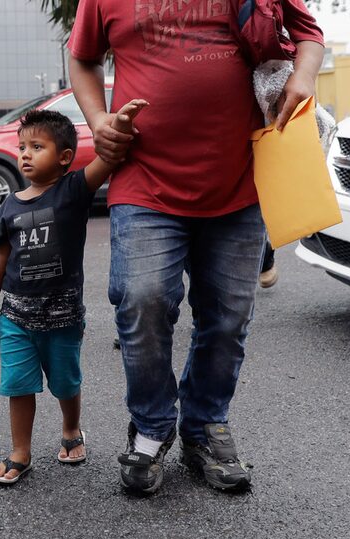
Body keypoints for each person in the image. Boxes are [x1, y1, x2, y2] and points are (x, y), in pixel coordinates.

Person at [67, 0, 324, 493]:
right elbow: (82, 58)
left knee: (228, 318)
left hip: (241, 182)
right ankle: (151, 426)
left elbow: (308, 31)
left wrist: (304, 77)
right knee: (142, 300)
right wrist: (98, 119)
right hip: (144, 183)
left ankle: (204, 425)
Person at [0, 104, 146, 484]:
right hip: (16, 316)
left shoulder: (73, 190)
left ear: (64, 157)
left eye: (36, 147)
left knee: (65, 382)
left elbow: (108, 159)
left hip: (63, 317)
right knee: (19, 385)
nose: (25, 154)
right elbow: (0, 251)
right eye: (21, 146)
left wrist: (120, 125)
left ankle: (72, 429)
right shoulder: (10, 204)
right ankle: (19, 451)